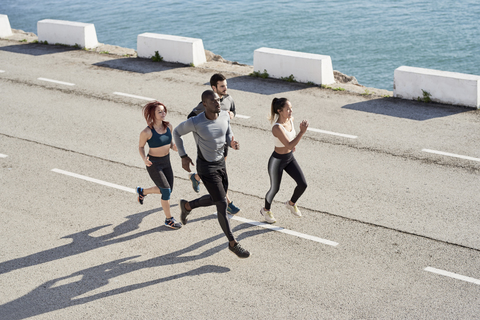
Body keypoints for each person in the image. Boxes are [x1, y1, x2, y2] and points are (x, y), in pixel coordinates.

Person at [173, 90, 250, 258]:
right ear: (205, 104)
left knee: (218, 197)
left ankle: (187, 206)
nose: (218, 103)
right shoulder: (195, 122)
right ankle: (232, 243)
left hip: (220, 163)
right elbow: (176, 133)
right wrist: (183, 156)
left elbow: (228, 132)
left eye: (219, 100)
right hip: (205, 167)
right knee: (222, 203)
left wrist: (232, 141)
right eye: (214, 101)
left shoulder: (224, 116)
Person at [186, 74, 240, 215]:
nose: (225, 88)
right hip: (210, 145)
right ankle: (228, 203)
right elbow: (190, 118)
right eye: (222, 86)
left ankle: (196, 177)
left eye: (226, 85)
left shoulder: (228, 98)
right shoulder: (204, 104)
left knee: (219, 172)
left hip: (224, 143)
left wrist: (231, 115)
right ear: (213, 88)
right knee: (221, 174)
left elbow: (233, 110)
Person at [260, 98, 309, 224]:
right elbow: (288, 145)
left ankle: (291, 204)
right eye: (288, 109)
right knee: (274, 189)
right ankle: (266, 210)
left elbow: (290, 141)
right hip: (277, 161)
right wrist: (302, 133)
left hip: (289, 158)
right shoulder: (277, 128)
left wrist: (293, 144)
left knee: (303, 184)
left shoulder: (290, 120)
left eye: (291, 108)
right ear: (279, 111)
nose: (291, 111)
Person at [136, 101, 182, 230]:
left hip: (166, 162)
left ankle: (142, 191)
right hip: (154, 164)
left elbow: (170, 142)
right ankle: (169, 220)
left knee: (167, 190)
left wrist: (175, 148)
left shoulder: (169, 127)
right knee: (166, 191)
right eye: (159, 112)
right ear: (153, 114)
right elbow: (140, 146)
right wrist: (144, 158)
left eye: (164, 111)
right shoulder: (147, 132)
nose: (163, 114)